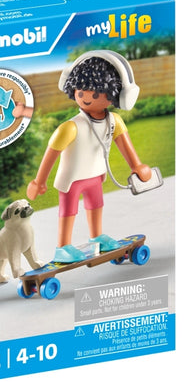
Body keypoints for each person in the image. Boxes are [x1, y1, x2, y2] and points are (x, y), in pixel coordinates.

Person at [26, 51, 152, 262]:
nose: (85, 98)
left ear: (116, 95)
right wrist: (39, 182)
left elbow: (125, 145)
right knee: (69, 211)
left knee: (96, 205)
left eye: (95, 95)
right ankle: (63, 246)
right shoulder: (70, 127)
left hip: (95, 175)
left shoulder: (114, 121)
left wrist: (137, 166)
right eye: (80, 92)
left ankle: (96, 236)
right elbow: (51, 154)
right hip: (72, 180)